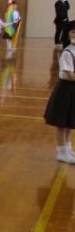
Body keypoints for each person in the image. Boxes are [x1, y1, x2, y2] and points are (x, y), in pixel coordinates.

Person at [44, 22, 75, 163]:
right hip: (66, 89)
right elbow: (70, 75)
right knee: (62, 122)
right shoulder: (68, 52)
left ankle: (68, 148)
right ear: (68, 35)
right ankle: (61, 152)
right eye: (73, 32)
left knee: (70, 121)